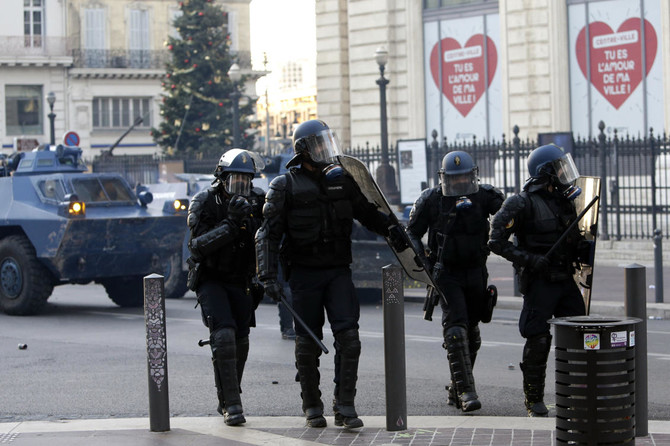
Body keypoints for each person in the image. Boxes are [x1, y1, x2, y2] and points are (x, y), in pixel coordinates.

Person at [255, 119, 407, 429]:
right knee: (307, 344)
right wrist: (267, 275)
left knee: (349, 338)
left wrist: (392, 229)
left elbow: (368, 214)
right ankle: (312, 404)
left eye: (327, 142)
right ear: (304, 151)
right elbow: (267, 235)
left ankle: (345, 404)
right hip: (304, 275)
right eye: (319, 144)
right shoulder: (284, 187)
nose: (325, 149)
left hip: (338, 271)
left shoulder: (343, 181)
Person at [488, 144, 588, 417]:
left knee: (579, 334)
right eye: (558, 167)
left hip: (565, 279)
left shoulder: (565, 200)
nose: (563, 172)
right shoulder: (520, 203)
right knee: (538, 340)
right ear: (546, 172)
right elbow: (495, 241)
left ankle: (577, 393)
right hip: (540, 281)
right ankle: (533, 400)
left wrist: (585, 248)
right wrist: (529, 259)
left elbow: (575, 239)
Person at [406, 151, 504, 413]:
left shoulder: (485, 195)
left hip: (476, 270)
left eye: (464, 177)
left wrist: (506, 240)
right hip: (447, 272)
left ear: (472, 175)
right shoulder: (431, 200)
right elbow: (412, 233)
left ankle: (455, 385)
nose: (460, 183)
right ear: (445, 178)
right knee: (456, 328)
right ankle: (466, 392)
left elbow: (509, 216)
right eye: (455, 178)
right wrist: (423, 263)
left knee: (472, 333)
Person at [186, 148, 266, 426]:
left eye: (246, 181)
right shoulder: (205, 202)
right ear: (221, 178)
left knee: (240, 341)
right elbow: (197, 247)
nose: (240, 188)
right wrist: (231, 223)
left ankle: (227, 395)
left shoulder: (258, 202)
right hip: (211, 278)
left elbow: (268, 240)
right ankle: (232, 404)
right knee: (223, 336)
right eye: (235, 181)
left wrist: (268, 277)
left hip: (241, 280)